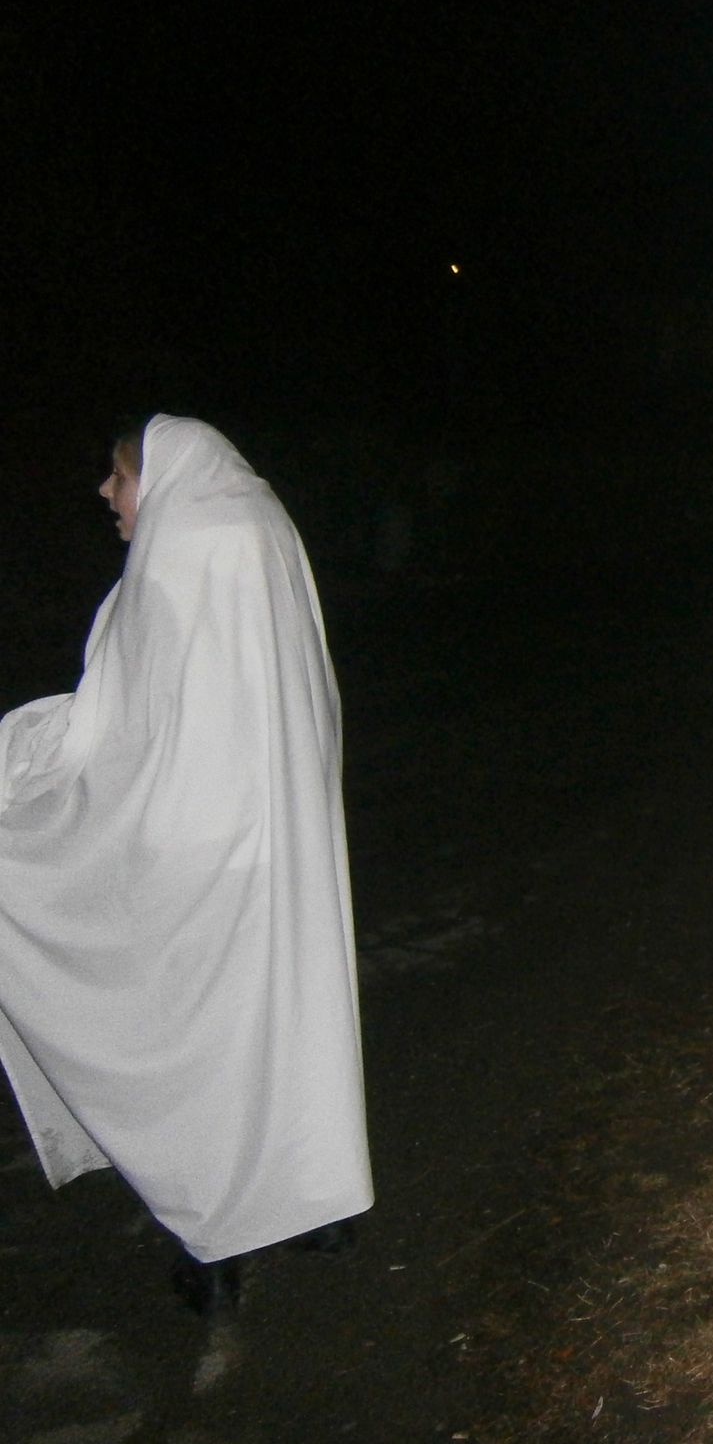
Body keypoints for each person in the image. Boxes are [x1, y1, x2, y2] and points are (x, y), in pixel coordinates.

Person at [0, 416, 373, 1316]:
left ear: (162, 478)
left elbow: (122, 728)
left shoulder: (178, 551)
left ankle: (214, 1241)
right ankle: (318, 1201)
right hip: (279, 833)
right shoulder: (262, 526)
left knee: (188, 1039)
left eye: (120, 475)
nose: (108, 493)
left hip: (191, 841)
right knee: (282, 1018)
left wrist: (26, 755)